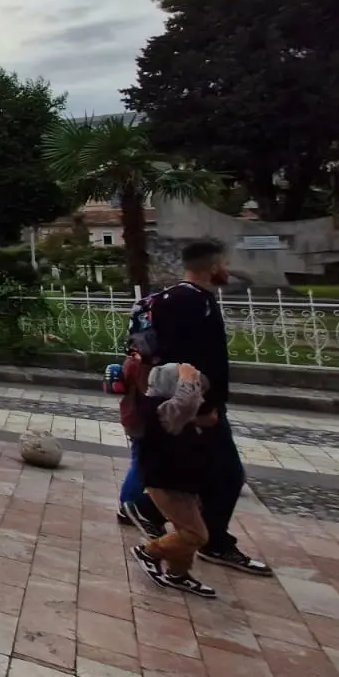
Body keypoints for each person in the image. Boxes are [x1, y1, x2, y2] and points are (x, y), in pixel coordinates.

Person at [124, 239, 271, 577]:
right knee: (227, 475)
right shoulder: (192, 304)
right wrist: (198, 407)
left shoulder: (176, 299)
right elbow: (185, 361)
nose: (228, 270)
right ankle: (207, 541)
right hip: (195, 408)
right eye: (224, 264)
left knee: (204, 474)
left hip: (192, 405)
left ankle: (156, 512)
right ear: (213, 266)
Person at [131, 361, 219, 596]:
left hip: (180, 481)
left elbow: (186, 414)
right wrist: (187, 376)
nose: (199, 395)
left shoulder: (167, 411)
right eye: (195, 388)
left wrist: (201, 419)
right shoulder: (160, 409)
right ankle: (149, 551)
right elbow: (184, 405)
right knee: (196, 535)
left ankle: (178, 573)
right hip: (166, 483)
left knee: (185, 530)